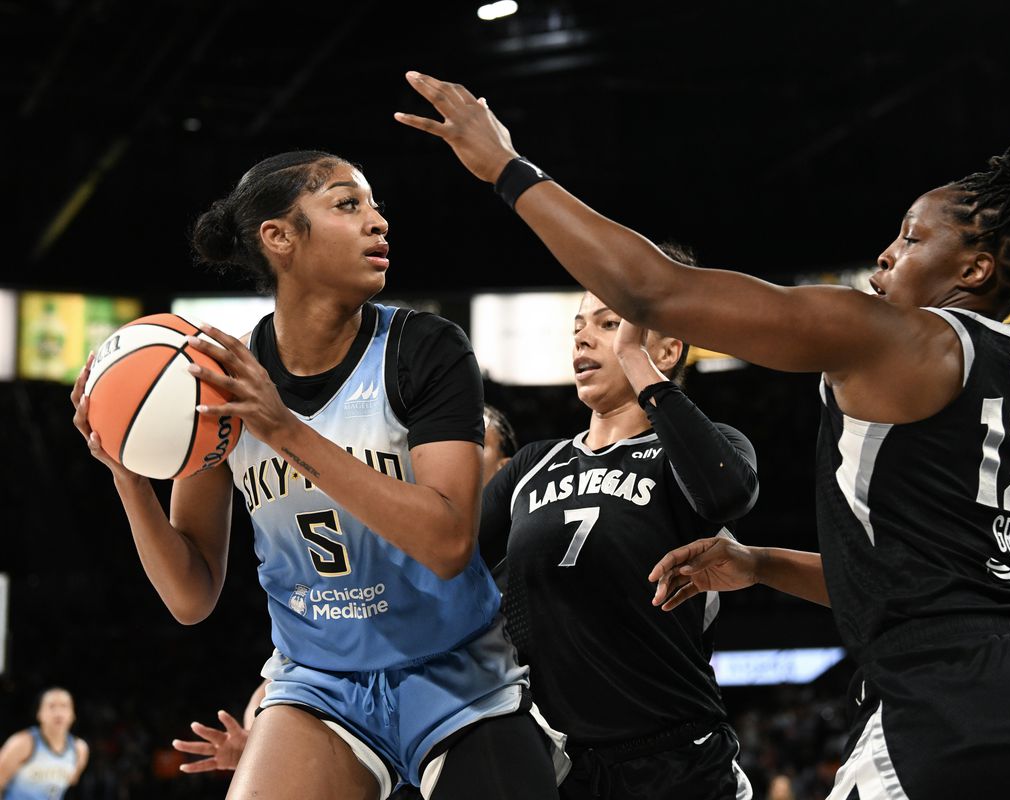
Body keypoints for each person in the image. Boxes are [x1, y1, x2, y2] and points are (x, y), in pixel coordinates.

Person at [395, 75, 1010, 799]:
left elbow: (654, 288)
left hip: (951, 704)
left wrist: (505, 165)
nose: (886, 252)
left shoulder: (894, 336)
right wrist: (760, 563)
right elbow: (929, 580)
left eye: (912, 238)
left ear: (974, 270)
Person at [70, 151, 559, 800]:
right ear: (279, 238)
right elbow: (191, 596)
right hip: (319, 681)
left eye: (375, 204)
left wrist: (284, 432)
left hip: (455, 671)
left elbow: (446, 546)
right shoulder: (219, 379)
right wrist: (128, 476)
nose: (379, 221)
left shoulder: (426, 351)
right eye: (347, 204)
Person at [478, 261, 759, 799]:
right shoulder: (533, 464)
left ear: (668, 349)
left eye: (608, 324)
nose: (583, 335)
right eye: (578, 325)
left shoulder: (704, 448)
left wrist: (636, 360)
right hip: (558, 763)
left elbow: (727, 494)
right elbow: (442, 558)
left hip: (674, 757)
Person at [170, 404, 524, 786]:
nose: (447, 449)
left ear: (504, 469)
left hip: (462, 706)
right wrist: (262, 741)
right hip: (368, 719)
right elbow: (290, 678)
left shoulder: (519, 556)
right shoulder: (388, 536)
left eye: (472, 441)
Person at [0, 688, 89, 800]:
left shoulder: (80, 749)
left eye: (64, 706)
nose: (58, 712)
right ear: (39, 713)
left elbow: (71, 781)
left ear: (73, 715)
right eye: (51, 706)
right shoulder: (23, 743)